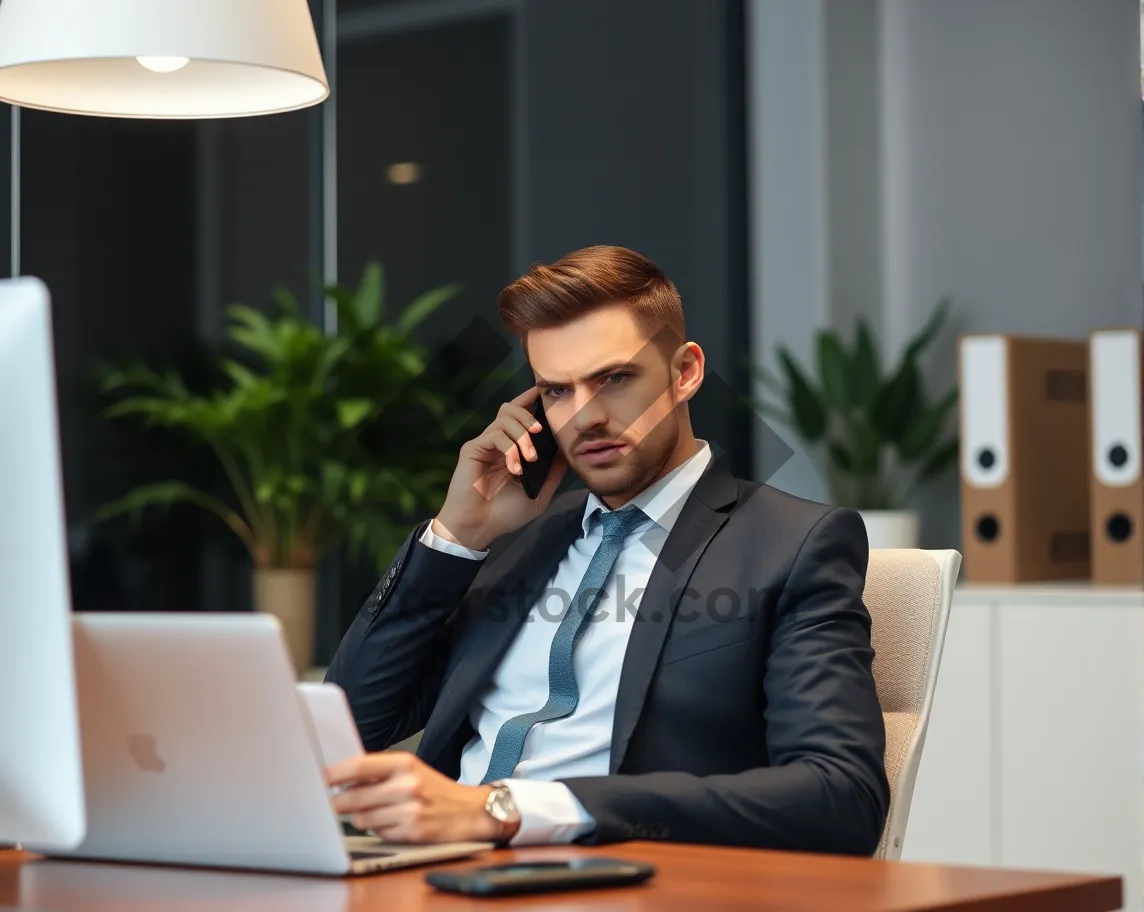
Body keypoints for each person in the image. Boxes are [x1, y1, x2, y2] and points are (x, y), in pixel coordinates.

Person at [323, 245, 889, 853]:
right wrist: (459, 537)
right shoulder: (521, 538)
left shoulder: (789, 543)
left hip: (612, 879)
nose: (584, 416)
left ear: (685, 373)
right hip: (430, 872)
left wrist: (511, 811)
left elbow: (841, 797)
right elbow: (351, 726)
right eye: (557, 391)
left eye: (613, 379)